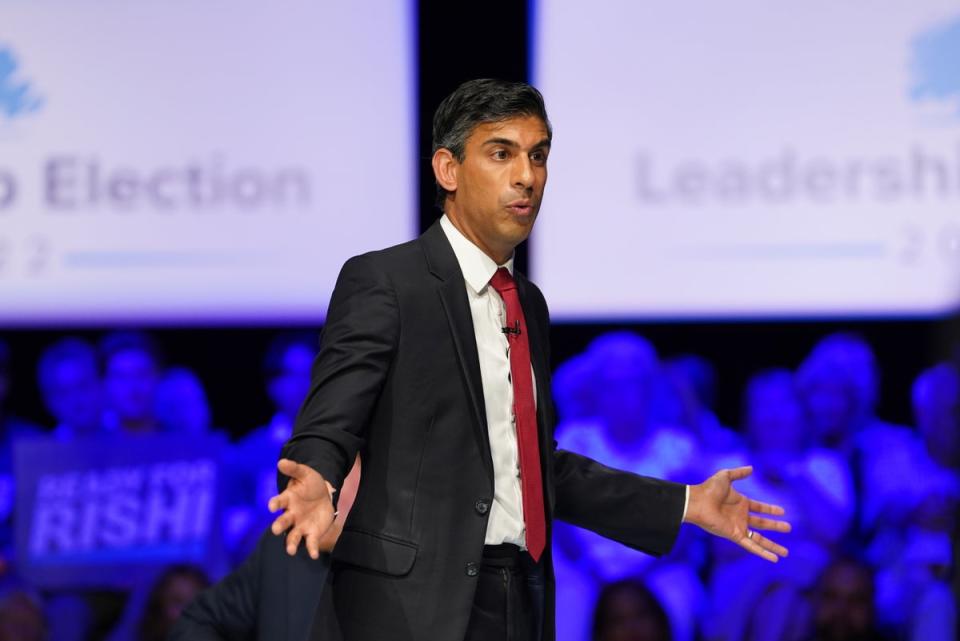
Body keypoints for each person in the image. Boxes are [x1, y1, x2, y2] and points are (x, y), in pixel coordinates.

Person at [268, 79, 790, 641]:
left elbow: (536, 467)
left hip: (521, 597)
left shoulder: (527, 302)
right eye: (501, 154)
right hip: (411, 606)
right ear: (448, 169)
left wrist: (682, 503)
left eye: (538, 155)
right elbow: (331, 420)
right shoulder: (387, 282)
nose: (527, 176)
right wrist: (315, 477)